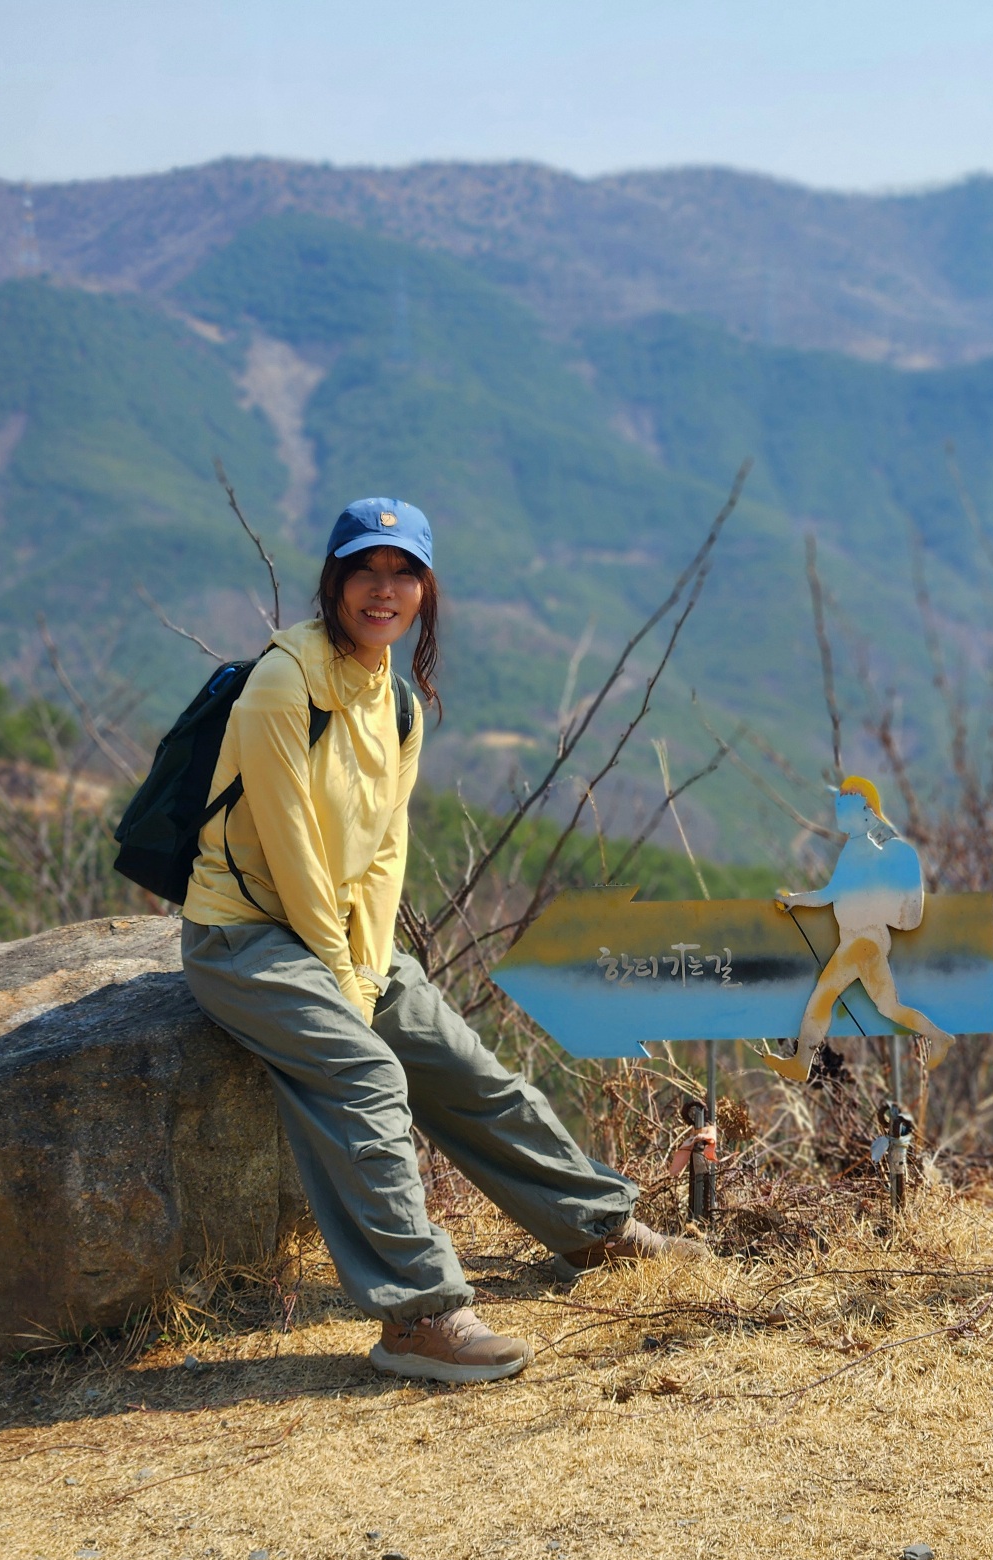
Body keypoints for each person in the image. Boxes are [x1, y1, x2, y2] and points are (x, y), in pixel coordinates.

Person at [181, 497, 700, 1385]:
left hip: (346, 934)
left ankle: (594, 1229)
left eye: (403, 574)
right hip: (246, 937)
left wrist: (369, 965)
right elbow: (293, 853)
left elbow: (385, 850)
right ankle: (417, 1316)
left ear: (424, 592)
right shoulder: (282, 685)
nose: (383, 590)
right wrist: (345, 982)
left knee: (466, 1068)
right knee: (365, 1073)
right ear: (334, 581)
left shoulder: (397, 700)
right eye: (365, 570)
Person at [763, 775, 954, 1082]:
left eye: (846, 805)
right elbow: (831, 894)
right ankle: (938, 1036)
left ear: (867, 813)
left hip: (861, 943)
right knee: (888, 1007)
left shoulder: (864, 853)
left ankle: (801, 1064)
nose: (839, 811)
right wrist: (795, 901)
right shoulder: (853, 850)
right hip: (860, 942)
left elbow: (831, 895)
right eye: (838, 805)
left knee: (822, 997)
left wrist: (795, 901)